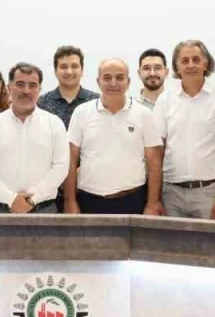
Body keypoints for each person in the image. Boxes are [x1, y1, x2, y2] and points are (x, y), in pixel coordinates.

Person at [64, 58, 164, 216]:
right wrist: (70, 201)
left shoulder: (144, 115)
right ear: (98, 81)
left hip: (133, 200)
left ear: (128, 82)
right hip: (89, 200)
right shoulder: (81, 113)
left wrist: (152, 203)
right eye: (107, 77)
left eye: (119, 77)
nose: (113, 83)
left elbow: (154, 162)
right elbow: (70, 159)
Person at [154, 40, 215, 219]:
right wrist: (155, 198)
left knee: (209, 239)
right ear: (177, 66)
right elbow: (158, 152)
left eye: (196, 59)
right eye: (185, 60)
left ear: (205, 63)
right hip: (171, 192)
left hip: (209, 192)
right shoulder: (165, 100)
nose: (191, 65)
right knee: (168, 239)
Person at [0, 63, 69, 214]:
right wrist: (11, 199)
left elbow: (61, 167)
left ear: (39, 90)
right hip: (0, 210)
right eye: (20, 84)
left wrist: (32, 200)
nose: (26, 91)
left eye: (32, 85)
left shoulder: (54, 124)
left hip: (43, 210)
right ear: (9, 88)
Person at [38, 45, 98, 129]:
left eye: (74, 66)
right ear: (55, 71)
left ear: (82, 70)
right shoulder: (41, 103)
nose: (69, 72)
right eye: (63, 67)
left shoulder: (96, 102)